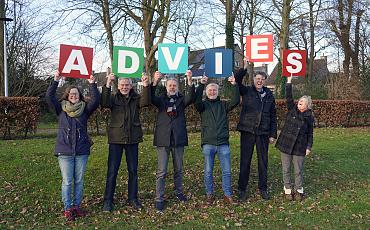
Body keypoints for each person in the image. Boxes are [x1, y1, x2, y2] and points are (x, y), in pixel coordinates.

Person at [46, 71, 100, 221]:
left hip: (81, 150)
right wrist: (55, 80)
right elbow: (49, 97)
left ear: (79, 96)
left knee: (79, 181)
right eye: (71, 94)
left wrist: (92, 83)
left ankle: (77, 206)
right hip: (65, 152)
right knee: (67, 181)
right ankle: (68, 208)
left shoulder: (85, 110)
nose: (74, 96)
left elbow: (95, 101)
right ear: (67, 96)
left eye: (76, 94)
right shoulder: (61, 110)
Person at [101, 73, 150, 212]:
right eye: (122, 85)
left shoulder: (136, 98)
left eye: (127, 85)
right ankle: (108, 201)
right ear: (118, 86)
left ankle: (133, 198)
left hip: (132, 139)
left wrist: (146, 85)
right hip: (116, 139)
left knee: (133, 171)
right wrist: (108, 83)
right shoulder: (113, 98)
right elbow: (104, 102)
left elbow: (146, 102)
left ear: (131, 86)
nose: (124, 87)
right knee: (112, 171)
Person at [151, 70, 195, 212]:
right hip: (163, 139)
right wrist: (155, 82)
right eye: (170, 85)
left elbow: (191, 96)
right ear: (166, 86)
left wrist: (189, 80)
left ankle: (178, 192)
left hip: (178, 138)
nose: (172, 87)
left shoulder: (182, 100)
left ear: (177, 87)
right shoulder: (161, 100)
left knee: (178, 169)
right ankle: (159, 198)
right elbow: (150, 98)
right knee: (162, 171)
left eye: (174, 85)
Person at [235, 59, 277, 201]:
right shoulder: (246, 91)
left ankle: (263, 188)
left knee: (263, 162)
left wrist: (272, 134)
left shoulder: (270, 96)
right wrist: (245, 66)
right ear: (253, 80)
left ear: (265, 81)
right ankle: (242, 189)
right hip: (248, 131)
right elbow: (237, 80)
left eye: (262, 79)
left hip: (263, 133)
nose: (259, 81)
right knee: (245, 161)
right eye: (257, 79)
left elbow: (273, 116)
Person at [194, 75, 240, 205]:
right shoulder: (202, 106)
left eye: (214, 90)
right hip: (208, 143)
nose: (212, 92)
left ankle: (227, 195)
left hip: (223, 143)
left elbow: (236, 100)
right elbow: (196, 101)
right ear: (206, 92)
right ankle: (209, 194)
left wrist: (234, 85)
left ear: (218, 92)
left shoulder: (224, 105)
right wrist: (201, 84)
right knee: (208, 171)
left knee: (227, 171)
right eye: (210, 90)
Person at [275, 76, 314, 201]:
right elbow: (289, 97)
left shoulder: (309, 117)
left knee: (298, 170)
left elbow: (310, 134)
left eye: (302, 101)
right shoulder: (292, 110)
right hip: (286, 144)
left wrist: (308, 147)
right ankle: (287, 189)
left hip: (300, 146)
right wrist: (289, 82)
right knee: (286, 168)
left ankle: (298, 190)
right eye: (299, 101)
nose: (299, 102)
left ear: (307, 105)